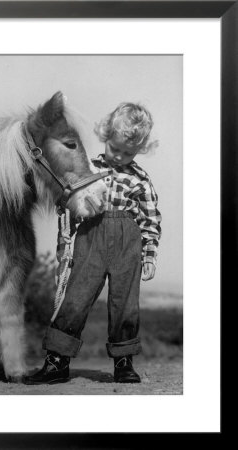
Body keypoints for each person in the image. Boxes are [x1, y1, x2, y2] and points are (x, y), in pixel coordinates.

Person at [26, 102, 162, 384]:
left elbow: (150, 221)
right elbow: (68, 199)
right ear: (105, 136)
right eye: (115, 148)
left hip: (128, 242)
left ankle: (124, 363)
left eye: (129, 153)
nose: (121, 156)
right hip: (90, 237)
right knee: (74, 298)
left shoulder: (141, 180)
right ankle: (57, 362)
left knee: (125, 304)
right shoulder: (89, 168)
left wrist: (149, 255)